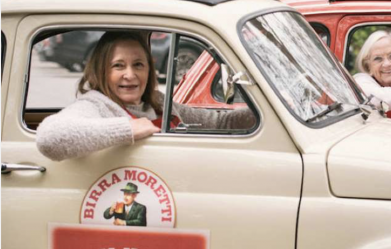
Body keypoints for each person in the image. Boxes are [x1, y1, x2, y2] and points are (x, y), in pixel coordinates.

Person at [36, 31, 256, 161]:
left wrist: (266, 112)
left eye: (138, 65)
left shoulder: (157, 101)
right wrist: (127, 129)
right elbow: (49, 138)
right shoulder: (97, 105)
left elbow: (220, 121)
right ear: (102, 70)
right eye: (118, 66)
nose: (130, 75)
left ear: (149, 70)